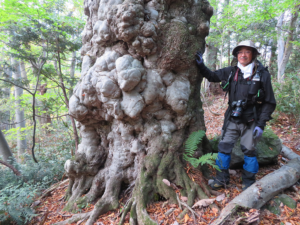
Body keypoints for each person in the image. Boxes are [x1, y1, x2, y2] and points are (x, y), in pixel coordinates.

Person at [195, 40, 276, 190]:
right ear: (236, 55)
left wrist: (261, 124)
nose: (243, 55)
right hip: (232, 118)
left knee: (249, 151)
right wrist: (201, 65)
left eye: (247, 52)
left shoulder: (262, 74)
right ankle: (222, 179)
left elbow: (270, 102)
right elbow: (212, 76)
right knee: (223, 148)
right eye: (240, 52)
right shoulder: (231, 71)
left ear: (253, 54)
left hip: (252, 119)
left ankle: (248, 182)